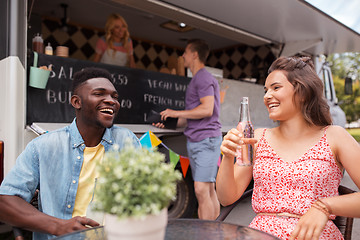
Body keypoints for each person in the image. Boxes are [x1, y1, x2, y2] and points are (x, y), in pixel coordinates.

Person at [216, 56, 360, 240]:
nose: (267, 96)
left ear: (302, 92)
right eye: (266, 90)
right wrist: (228, 157)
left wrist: (325, 206)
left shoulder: (335, 136)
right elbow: (226, 198)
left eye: (276, 88)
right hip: (260, 235)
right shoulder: (257, 138)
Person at [0, 68, 140, 239]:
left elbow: (142, 194)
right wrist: (58, 226)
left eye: (115, 96)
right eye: (99, 93)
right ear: (76, 102)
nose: (111, 101)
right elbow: (5, 202)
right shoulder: (43, 146)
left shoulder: (127, 140)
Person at [154, 39, 222, 220]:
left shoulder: (203, 78)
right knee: (208, 189)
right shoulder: (197, 80)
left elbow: (206, 109)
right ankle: (215, 231)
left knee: (201, 189)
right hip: (198, 140)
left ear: (194, 55)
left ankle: (206, 234)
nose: (182, 56)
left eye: (185, 52)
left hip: (206, 140)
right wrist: (170, 122)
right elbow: (189, 118)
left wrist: (174, 111)